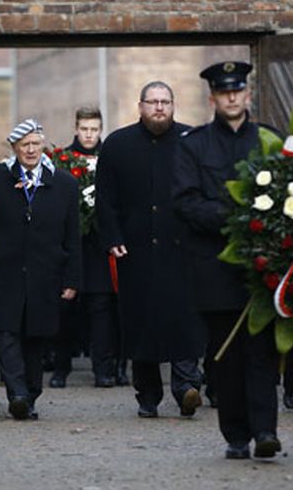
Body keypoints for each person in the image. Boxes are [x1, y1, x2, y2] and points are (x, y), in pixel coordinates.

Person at [172, 61, 281, 459]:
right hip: (215, 266)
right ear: (213, 98)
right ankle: (236, 435)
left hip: (264, 268)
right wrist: (239, 219)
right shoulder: (194, 145)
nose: (232, 97)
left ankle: (266, 430)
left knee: (263, 353)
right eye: (224, 92)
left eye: (238, 90)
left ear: (248, 95)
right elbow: (185, 202)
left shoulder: (269, 141)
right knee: (227, 357)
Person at [96, 81, 205, 419]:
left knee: (184, 318)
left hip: (181, 250)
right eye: (153, 102)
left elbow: (201, 194)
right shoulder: (117, 145)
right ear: (140, 106)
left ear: (174, 105)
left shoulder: (192, 142)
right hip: (135, 250)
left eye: (165, 102)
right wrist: (112, 238)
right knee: (140, 322)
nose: (159, 108)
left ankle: (187, 386)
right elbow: (105, 199)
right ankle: (148, 395)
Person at [0, 119, 81, 421]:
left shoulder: (64, 183)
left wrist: (72, 278)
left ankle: (30, 393)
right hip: (4, 271)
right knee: (6, 333)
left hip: (46, 274)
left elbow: (73, 235)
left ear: (44, 145)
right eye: (24, 145)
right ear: (15, 148)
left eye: (35, 144)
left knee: (36, 338)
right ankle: (16, 392)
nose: (30, 150)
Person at [49, 106, 118, 389]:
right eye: (85, 129)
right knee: (66, 308)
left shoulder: (110, 158)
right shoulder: (62, 160)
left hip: (99, 245)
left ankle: (103, 369)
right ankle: (60, 368)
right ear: (76, 129)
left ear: (101, 130)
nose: (89, 135)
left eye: (94, 129)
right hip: (70, 244)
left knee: (101, 307)